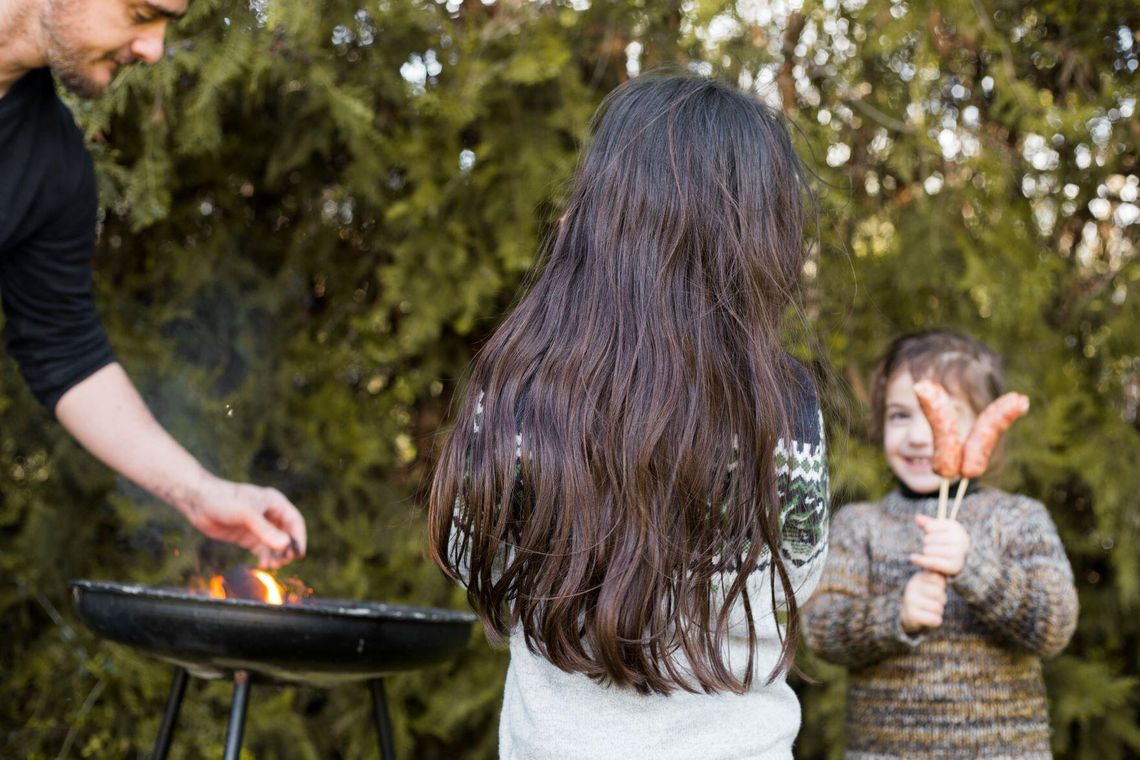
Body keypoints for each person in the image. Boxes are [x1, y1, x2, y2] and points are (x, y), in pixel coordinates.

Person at [427, 74, 829, 759]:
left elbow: (471, 554)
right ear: (761, 237)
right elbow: (795, 577)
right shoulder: (785, 402)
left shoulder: (527, 385)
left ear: (599, 216)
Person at [0, 0, 306, 566]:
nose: (155, 48)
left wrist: (200, 491)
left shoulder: (53, 167)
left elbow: (65, 353)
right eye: (142, 12)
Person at [802, 330, 1078, 758]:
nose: (916, 435)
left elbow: (1053, 625)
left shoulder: (1019, 518)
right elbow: (821, 629)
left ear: (986, 427)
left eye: (937, 415)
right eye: (899, 415)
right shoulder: (861, 524)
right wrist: (898, 614)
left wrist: (976, 567)